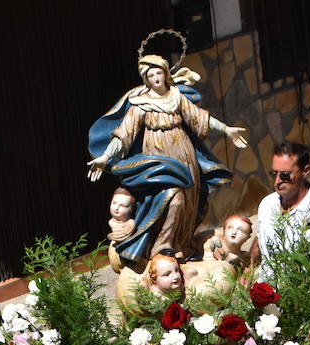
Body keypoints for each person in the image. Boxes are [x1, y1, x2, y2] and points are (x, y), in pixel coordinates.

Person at [87, 54, 248, 262]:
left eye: (159, 72)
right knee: (172, 199)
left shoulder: (176, 97)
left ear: (165, 73)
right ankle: (160, 247)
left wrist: (226, 130)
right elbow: (124, 135)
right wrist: (106, 156)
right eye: (151, 74)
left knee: (188, 201)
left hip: (184, 155)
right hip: (157, 162)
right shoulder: (140, 104)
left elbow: (201, 119)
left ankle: (180, 245)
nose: (156, 78)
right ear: (146, 78)